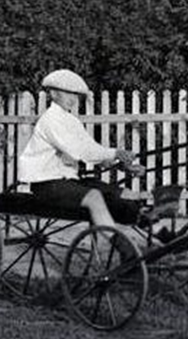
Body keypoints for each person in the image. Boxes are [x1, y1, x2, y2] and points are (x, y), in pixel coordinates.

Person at [18, 69, 142, 231]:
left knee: (125, 193)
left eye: (75, 94)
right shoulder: (50, 120)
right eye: (67, 93)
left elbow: (92, 149)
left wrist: (121, 165)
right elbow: (79, 151)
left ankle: (158, 232)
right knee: (94, 197)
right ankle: (122, 246)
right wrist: (115, 152)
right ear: (54, 94)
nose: (72, 99)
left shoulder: (72, 121)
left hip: (69, 181)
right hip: (46, 184)